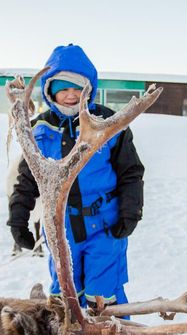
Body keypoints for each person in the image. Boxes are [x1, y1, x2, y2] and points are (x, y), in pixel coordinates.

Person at [8, 44, 144, 315]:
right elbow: (28, 178)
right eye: (63, 87)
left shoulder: (107, 121)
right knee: (64, 297)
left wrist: (131, 211)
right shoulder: (40, 128)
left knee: (103, 297)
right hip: (61, 229)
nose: (71, 95)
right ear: (50, 89)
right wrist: (18, 218)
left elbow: (130, 171)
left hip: (105, 225)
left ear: (88, 89)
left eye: (77, 88)